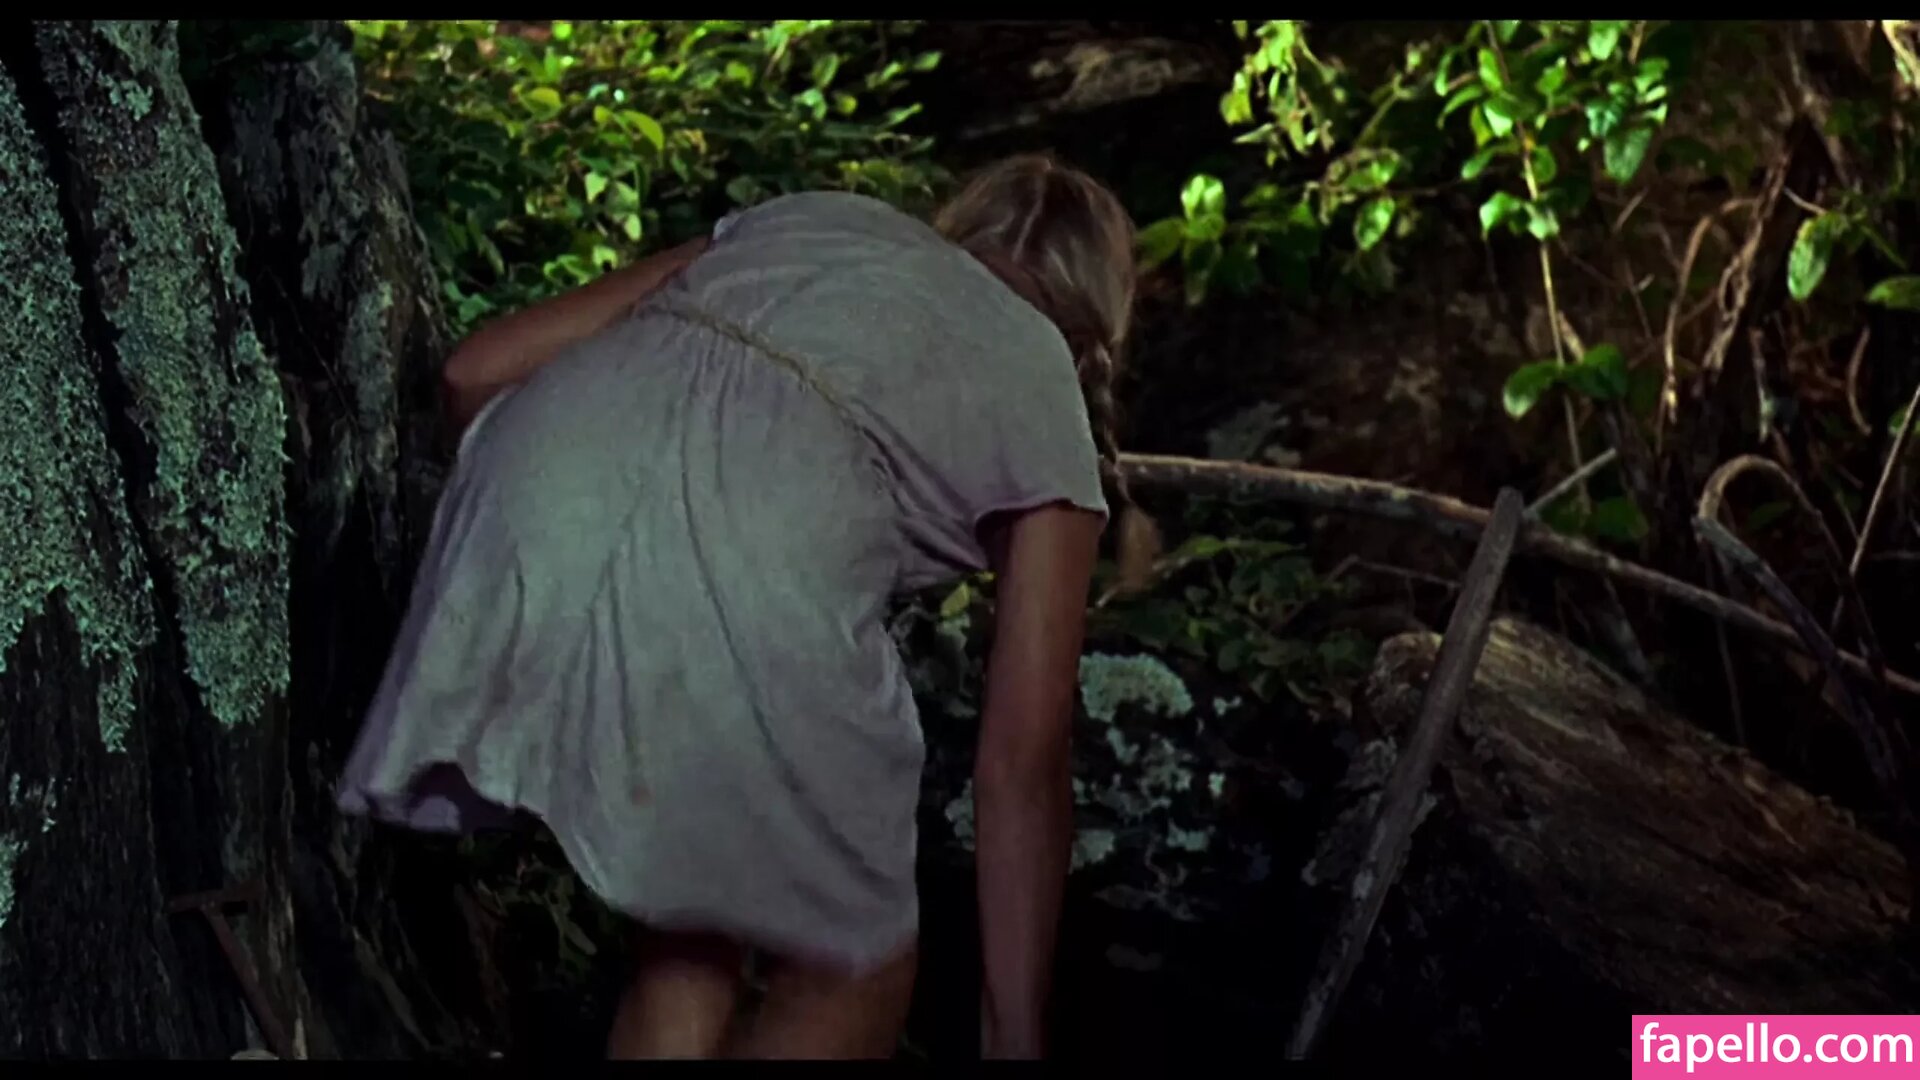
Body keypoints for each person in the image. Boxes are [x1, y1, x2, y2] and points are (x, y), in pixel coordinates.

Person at [335, 153, 1154, 1060]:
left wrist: (576, 529)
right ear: (1096, 320)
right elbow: (1022, 763)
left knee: (693, 942)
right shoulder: (1042, 381)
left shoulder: (815, 217)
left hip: (536, 472)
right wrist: (1017, 1033)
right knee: (853, 964)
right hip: (751, 564)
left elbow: (473, 373)